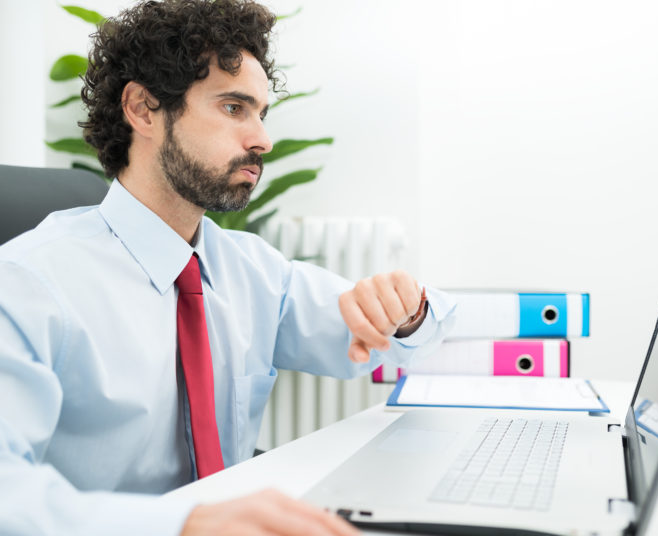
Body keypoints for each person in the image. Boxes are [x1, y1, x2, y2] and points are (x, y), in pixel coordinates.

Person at [0, 0, 455, 534]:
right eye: (234, 108)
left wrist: (401, 311)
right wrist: (182, 523)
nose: (262, 139)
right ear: (144, 109)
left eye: (262, 113)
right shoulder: (28, 284)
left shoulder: (251, 269)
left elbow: (384, 344)